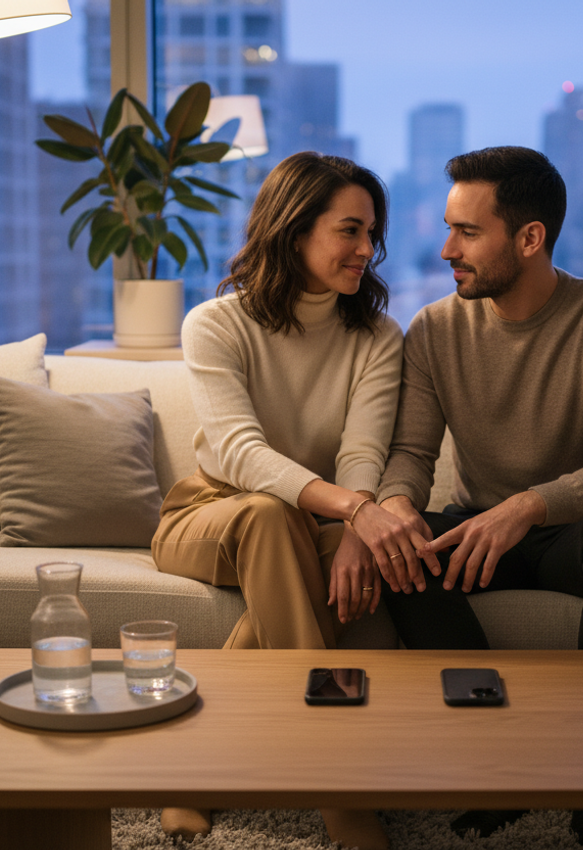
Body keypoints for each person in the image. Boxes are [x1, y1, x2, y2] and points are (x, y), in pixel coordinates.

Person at [375, 146, 583, 847]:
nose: (447, 250)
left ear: (530, 238)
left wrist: (529, 505)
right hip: (478, 533)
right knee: (401, 552)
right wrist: (394, 505)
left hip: (577, 532)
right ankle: (496, 763)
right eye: (449, 230)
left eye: (467, 232)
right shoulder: (434, 329)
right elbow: (411, 454)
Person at [151, 151, 426, 850]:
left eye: (372, 233)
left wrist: (359, 527)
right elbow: (242, 452)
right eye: (350, 230)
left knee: (345, 556)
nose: (366, 249)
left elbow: (362, 452)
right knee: (270, 514)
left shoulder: (377, 336)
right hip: (209, 514)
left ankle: (192, 766)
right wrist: (356, 513)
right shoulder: (215, 323)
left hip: (317, 518)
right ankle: (335, 783)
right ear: (294, 229)